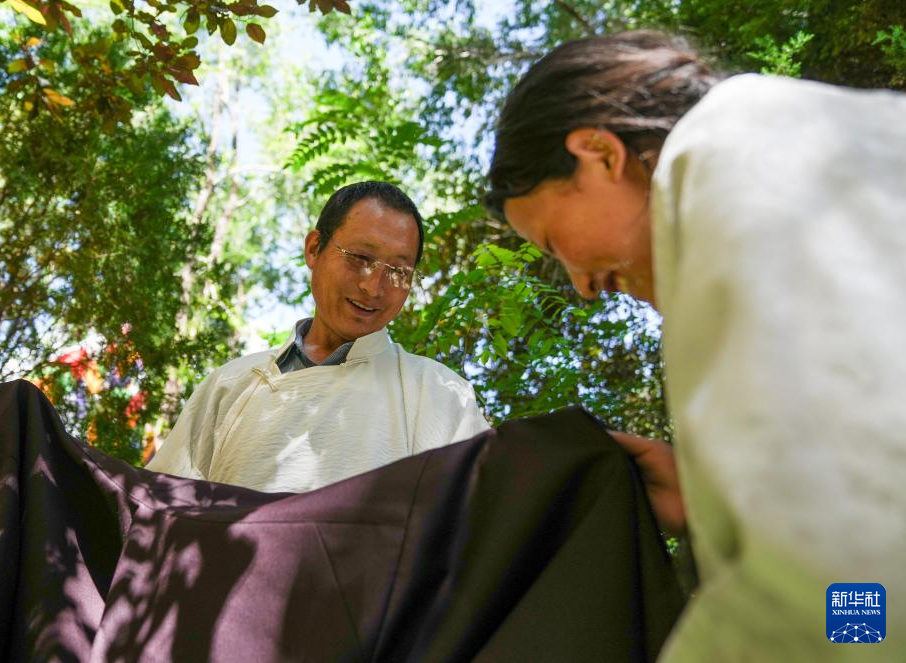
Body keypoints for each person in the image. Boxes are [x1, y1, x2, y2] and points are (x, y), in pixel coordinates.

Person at [486, 31, 906, 660]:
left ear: (599, 154)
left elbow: (855, 571)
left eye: (552, 243)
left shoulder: (739, 159)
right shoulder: (786, 142)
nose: (581, 286)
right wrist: (705, 497)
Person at [147, 181, 490, 492]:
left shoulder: (440, 394)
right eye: (360, 257)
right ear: (314, 248)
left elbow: (475, 519)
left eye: (399, 271)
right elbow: (163, 510)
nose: (373, 287)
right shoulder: (230, 385)